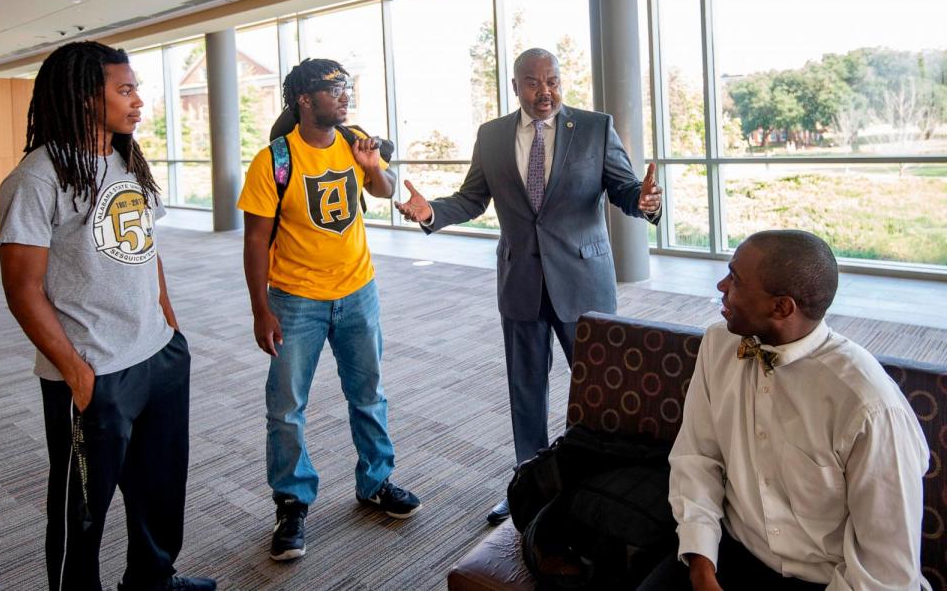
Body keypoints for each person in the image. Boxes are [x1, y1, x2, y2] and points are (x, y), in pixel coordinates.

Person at [395, 48, 662, 524]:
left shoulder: (596, 128)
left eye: (554, 81)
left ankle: (598, 487)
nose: (546, 92)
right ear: (516, 86)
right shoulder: (493, 136)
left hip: (584, 283)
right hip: (520, 280)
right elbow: (472, 198)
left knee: (598, 391)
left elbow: (623, 190)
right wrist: (431, 211)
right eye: (535, 83)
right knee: (525, 389)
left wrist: (643, 201)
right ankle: (531, 486)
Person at [0, 42, 214, 591]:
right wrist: (75, 372)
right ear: (83, 96)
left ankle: (152, 581)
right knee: (81, 514)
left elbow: (146, 245)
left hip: (157, 355)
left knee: (161, 489)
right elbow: (21, 288)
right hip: (95, 371)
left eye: (136, 88)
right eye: (125, 89)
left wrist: (170, 326)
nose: (138, 100)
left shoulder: (125, 158)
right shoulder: (38, 176)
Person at [636, 230, 930, 591]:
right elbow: (697, 458)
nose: (721, 284)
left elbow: (886, 569)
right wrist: (702, 567)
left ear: (782, 307)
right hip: (727, 552)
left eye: (736, 279)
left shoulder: (869, 406)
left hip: (831, 580)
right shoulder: (719, 344)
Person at [238, 58, 421, 562]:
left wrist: (371, 168)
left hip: (358, 291)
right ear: (303, 98)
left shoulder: (354, 139)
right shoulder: (273, 160)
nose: (345, 96)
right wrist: (260, 309)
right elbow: (255, 242)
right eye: (334, 88)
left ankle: (376, 481)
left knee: (368, 393)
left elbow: (382, 192)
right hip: (296, 300)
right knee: (286, 407)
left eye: (347, 86)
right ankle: (292, 501)